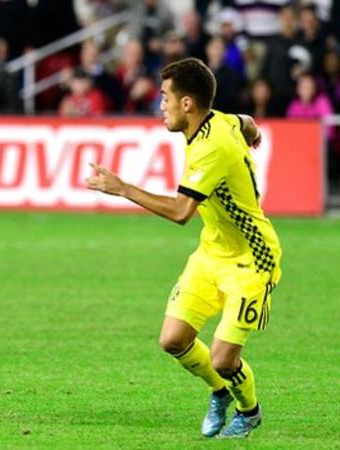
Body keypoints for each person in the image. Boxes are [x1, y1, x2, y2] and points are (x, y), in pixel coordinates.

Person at [86, 58, 281, 439]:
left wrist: (123, 188)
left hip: (252, 259)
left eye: (165, 98)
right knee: (173, 339)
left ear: (187, 103)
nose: (161, 105)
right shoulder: (219, 120)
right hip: (212, 252)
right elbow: (245, 121)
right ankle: (219, 393)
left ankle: (249, 411)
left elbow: (180, 212)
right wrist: (254, 133)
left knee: (223, 358)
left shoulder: (212, 148)